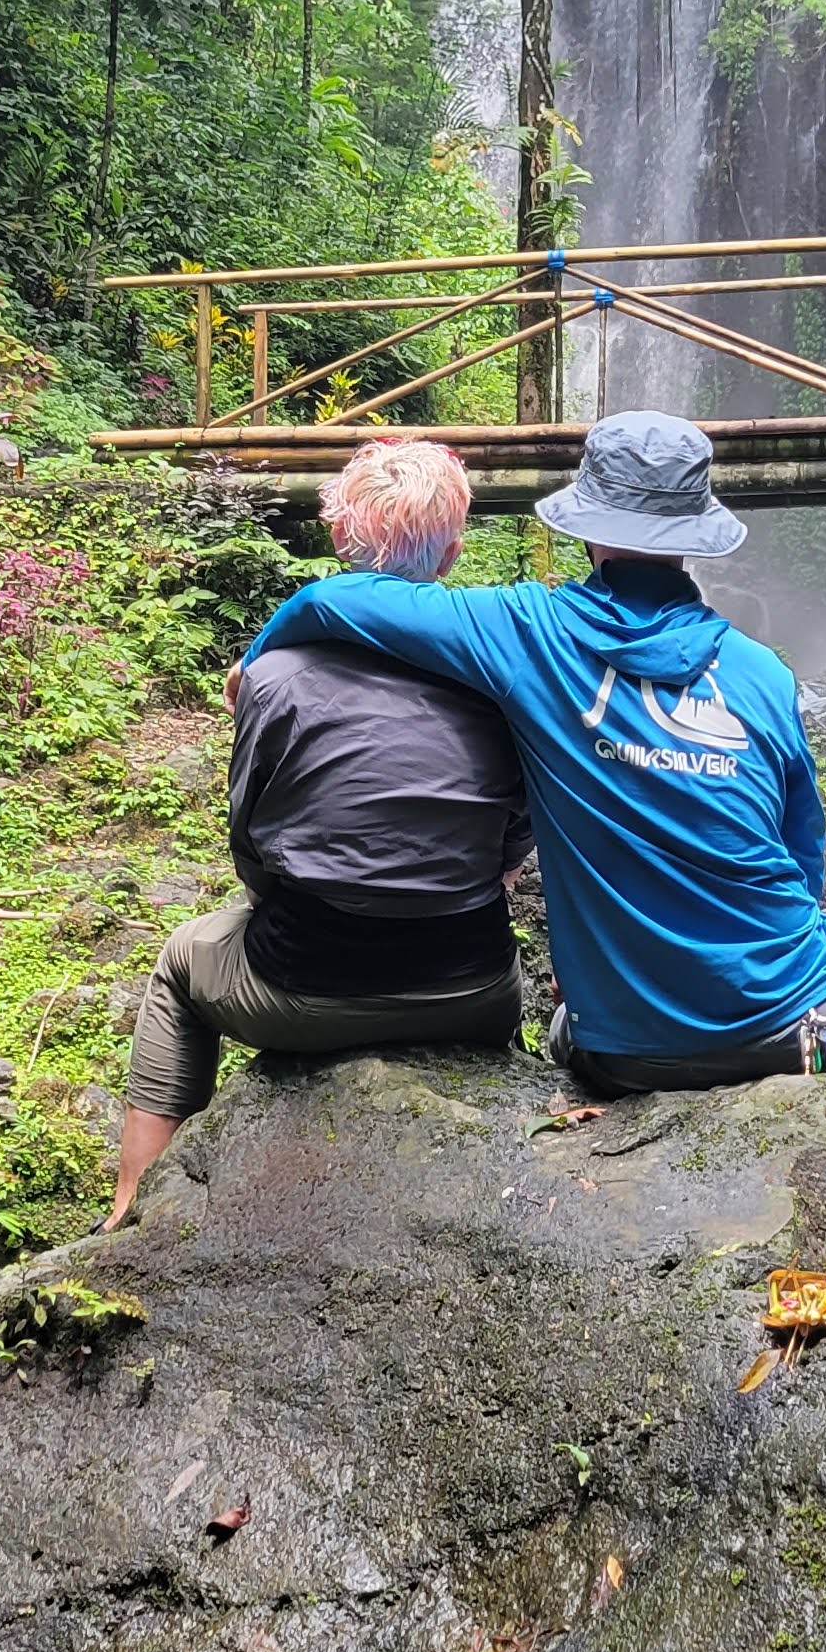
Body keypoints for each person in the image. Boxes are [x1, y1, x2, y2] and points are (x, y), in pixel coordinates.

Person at [235, 408, 826, 1093]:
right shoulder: (763, 672)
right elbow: (803, 865)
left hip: (624, 1051)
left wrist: (253, 664)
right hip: (796, 1022)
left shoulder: (526, 634)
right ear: (693, 535)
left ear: (586, 523)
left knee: (563, 1025)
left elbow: (339, 602)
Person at [108, 437, 529, 1222]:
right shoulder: (501, 681)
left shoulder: (272, 680)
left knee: (178, 964)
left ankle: (135, 1207)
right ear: (453, 555)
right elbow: (514, 841)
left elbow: (254, 841)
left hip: (303, 988)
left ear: (339, 539)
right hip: (473, 991)